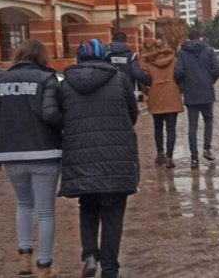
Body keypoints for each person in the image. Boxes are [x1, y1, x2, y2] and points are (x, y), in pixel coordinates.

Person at [59, 38, 139, 278]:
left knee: (88, 207)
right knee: (113, 214)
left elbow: (59, 117)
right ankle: (110, 269)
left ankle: (90, 254)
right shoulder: (119, 79)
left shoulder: (66, 84)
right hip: (116, 158)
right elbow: (132, 114)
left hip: (81, 157)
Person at [0, 39, 63, 278]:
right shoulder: (47, 79)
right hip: (45, 151)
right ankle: (44, 266)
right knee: (46, 211)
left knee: (24, 204)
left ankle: (24, 259)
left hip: (11, 154)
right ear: (42, 57)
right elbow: (51, 115)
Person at [174, 29, 219, 169]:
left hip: (191, 92)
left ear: (188, 39)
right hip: (206, 91)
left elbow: (179, 72)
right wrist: (209, 81)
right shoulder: (208, 50)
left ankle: (194, 158)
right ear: (200, 38)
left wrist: (182, 84)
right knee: (208, 121)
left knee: (192, 125)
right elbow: (217, 70)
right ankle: (207, 149)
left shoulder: (183, 53)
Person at [141, 38, 183, 169]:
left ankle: (160, 154)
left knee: (158, 127)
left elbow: (143, 81)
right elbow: (180, 75)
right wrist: (178, 90)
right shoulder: (174, 61)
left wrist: (148, 92)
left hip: (155, 96)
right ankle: (170, 157)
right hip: (172, 95)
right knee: (171, 129)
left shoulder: (148, 63)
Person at [107, 31, 151, 100]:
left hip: (110, 91)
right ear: (125, 41)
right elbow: (137, 73)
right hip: (128, 91)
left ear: (113, 40)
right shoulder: (131, 56)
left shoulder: (106, 55)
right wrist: (150, 82)